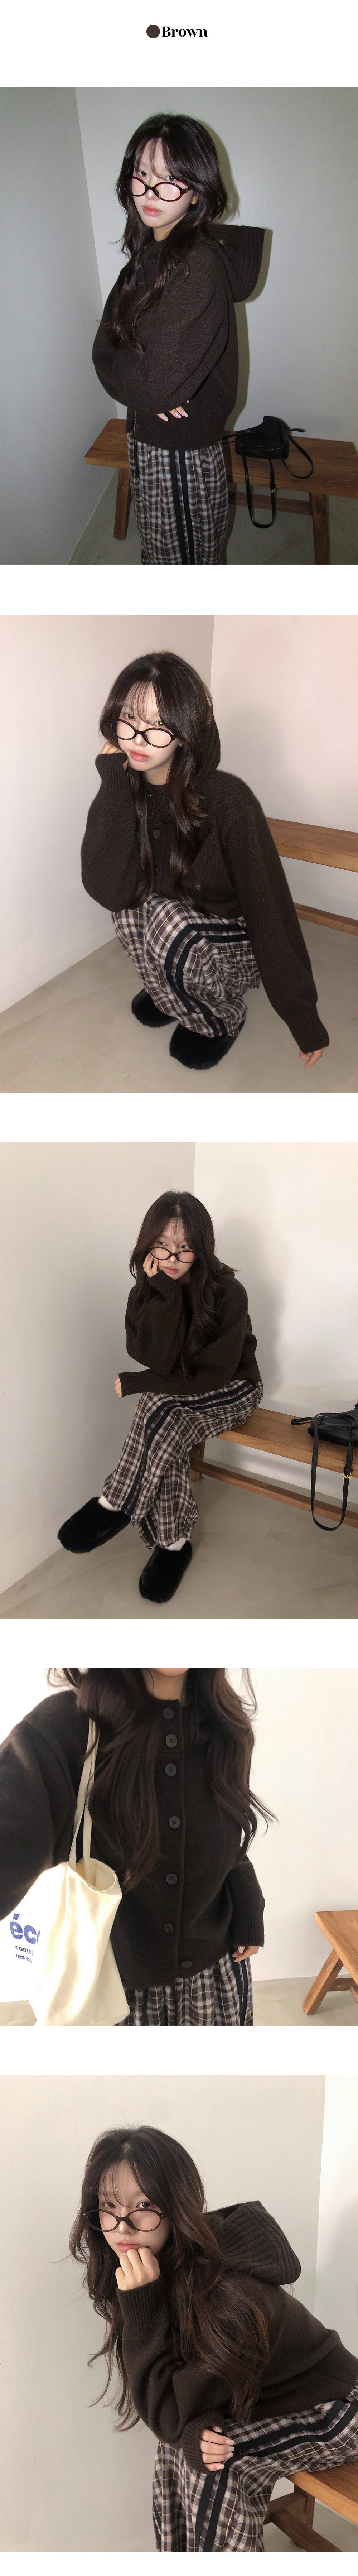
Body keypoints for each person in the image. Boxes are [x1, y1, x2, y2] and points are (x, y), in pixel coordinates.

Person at [69, 2122, 358, 2553]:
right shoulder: (158, 2266)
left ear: (177, 2206)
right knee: (181, 2450)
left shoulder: (232, 2294)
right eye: (108, 2206)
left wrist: (141, 2306)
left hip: (340, 2409)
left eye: (144, 2205)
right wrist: (192, 2425)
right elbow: (174, 2408)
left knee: (219, 2464)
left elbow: (169, 2413)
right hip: (270, 2402)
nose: (122, 2227)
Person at [81, 650, 328, 1074]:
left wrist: (302, 1016)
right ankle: (171, 995)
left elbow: (269, 909)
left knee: (167, 922)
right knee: (129, 912)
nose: (138, 739)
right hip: (179, 930)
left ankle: (220, 1018)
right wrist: (114, 788)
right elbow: (110, 892)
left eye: (159, 725)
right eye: (129, 718)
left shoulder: (229, 801)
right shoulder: (124, 788)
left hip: (231, 943)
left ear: (185, 733)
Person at [0, 1666, 269, 2026]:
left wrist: (248, 1908)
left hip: (216, 1981)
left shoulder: (228, 1727)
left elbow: (227, 1836)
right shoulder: (66, 1728)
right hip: (107, 1995)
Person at [57, 1188, 263, 1601]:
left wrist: (141, 1382)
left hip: (233, 1389)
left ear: (201, 1248)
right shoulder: (147, 1290)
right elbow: (156, 1360)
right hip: (177, 1395)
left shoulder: (229, 1292)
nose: (172, 1257)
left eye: (184, 1247)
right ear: (148, 1245)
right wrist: (166, 1296)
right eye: (163, 1245)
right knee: (164, 1421)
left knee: (156, 1405)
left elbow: (212, 1375)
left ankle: (117, 1502)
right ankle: (173, 1543)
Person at [92, 111, 266, 565]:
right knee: (162, 550)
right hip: (151, 431)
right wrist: (142, 384)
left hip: (178, 450)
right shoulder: (150, 253)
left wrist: (143, 384)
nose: (151, 193)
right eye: (142, 175)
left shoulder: (195, 268)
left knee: (182, 562)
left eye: (170, 179)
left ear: (197, 190)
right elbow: (106, 346)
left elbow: (147, 381)